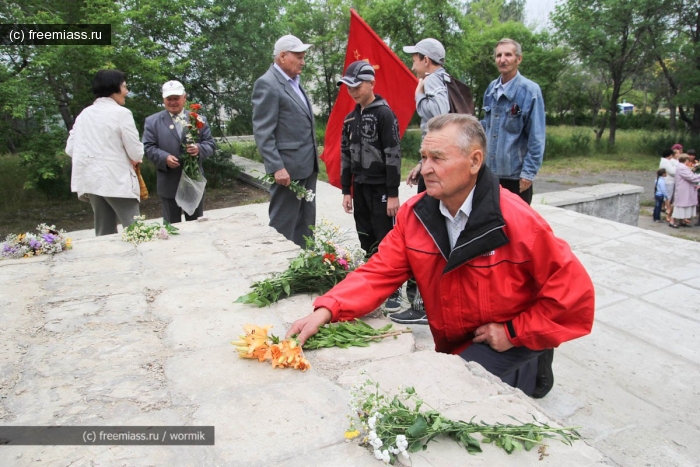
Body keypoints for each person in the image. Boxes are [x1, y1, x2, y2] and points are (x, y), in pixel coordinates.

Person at [287, 114, 595, 398]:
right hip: (453, 341)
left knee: (447, 394)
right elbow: (378, 272)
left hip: (498, 339)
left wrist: (515, 333)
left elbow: (575, 295)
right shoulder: (415, 214)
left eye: (437, 158)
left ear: (474, 161)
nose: (425, 169)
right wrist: (326, 309)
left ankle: (533, 363)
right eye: (423, 157)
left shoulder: (518, 222)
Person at [391, 38, 450, 325]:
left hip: (440, 174)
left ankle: (425, 305)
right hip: (440, 168)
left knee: (430, 234)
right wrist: (422, 163)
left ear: (426, 60)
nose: (412, 63)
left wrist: (419, 91)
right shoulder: (443, 80)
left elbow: (439, 121)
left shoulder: (432, 81)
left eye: (415, 58)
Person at [338, 60, 402, 312]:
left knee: (385, 238)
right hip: (360, 186)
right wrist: (346, 189)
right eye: (348, 86)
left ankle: (394, 287)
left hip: (382, 189)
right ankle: (373, 283)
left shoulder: (384, 114)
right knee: (365, 236)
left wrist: (393, 192)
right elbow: (344, 155)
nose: (353, 90)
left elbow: (394, 153)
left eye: (357, 84)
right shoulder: (349, 119)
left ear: (371, 83)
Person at [252, 34, 319, 248]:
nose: (303, 61)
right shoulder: (268, 84)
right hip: (287, 170)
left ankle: (304, 268)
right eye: (298, 56)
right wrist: (276, 167)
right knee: (283, 223)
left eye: (303, 56)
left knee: (306, 223)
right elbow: (263, 131)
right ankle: (279, 268)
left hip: (306, 166)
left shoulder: (294, 82)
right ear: (282, 56)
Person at [66, 69, 144, 236]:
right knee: (136, 230)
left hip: (91, 181)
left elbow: (71, 149)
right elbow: (136, 152)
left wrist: (93, 159)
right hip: (117, 180)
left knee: (103, 232)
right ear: (114, 88)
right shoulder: (121, 113)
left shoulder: (83, 115)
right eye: (124, 87)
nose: (127, 91)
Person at [481, 38, 545, 206]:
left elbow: (536, 136)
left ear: (519, 59)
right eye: (498, 55)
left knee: (516, 228)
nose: (503, 59)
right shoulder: (490, 90)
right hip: (489, 175)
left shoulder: (530, 91)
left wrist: (528, 173)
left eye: (508, 55)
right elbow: (486, 126)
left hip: (515, 176)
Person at [143, 80, 216, 223]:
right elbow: (148, 147)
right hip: (169, 182)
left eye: (176, 98)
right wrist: (164, 158)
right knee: (172, 226)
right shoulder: (152, 121)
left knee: (197, 225)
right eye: (169, 99)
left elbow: (211, 144)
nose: (172, 102)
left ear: (184, 97)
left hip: (193, 182)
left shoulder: (198, 119)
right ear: (163, 99)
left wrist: (199, 149)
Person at [668, 156, 700, 228]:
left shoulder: (681, 167)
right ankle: (672, 221)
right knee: (680, 205)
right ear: (686, 160)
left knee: (685, 205)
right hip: (683, 189)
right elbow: (691, 177)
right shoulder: (682, 168)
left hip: (685, 189)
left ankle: (682, 220)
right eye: (688, 160)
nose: (689, 161)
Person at [659, 149, 677, 223]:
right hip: (668, 181)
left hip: (668, 180)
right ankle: (668, 209)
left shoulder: (665, 161)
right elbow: (672, 172)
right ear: (669, 155)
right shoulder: (666, 162)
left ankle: (667, 209)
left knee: (668, 196)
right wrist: (676, 168)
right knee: (668, 197)